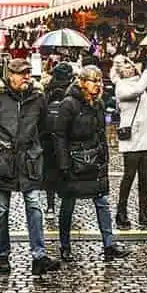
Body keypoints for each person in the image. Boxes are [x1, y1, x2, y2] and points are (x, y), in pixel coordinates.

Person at [0, 58, 60, 277]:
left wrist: (35, 148)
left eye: (28, 72)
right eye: (21, 73)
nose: (26, 77)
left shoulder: (38, 97)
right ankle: (3, 255)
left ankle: (38, 255)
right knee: (2, 211)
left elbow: (44, 127)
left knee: (34, 206)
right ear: (10, 75)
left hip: (29, 160)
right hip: (2, 161)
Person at [53, 65, 128, 264]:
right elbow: (59, 135)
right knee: (68, 205)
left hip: (94, 160)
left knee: (102, 202)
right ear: (82, 82)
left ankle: (109, 244)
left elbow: (100, 132)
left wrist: (104, 156)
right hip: (74, 161)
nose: (98, 85)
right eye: (94, 80)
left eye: (99, 81)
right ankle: (65, 246)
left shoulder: (98, 104)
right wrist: (64, 164)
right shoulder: (68, 104)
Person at [112, 55, 147, 230]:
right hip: (132, 139)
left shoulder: (143, 82)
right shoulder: (121, 87)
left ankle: (143, 212)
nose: (130, 67)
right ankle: (121, 211)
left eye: (130, 65)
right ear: (118, 71)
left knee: (144, 177)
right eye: (125, 66)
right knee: (129, 176)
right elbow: (137, 91)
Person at [42, 61, 73, 215]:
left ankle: (50, 205)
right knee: (67, 171)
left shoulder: (47, 90)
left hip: (48, 138)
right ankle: (66, 205)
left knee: (50, 172)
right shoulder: (71, 91)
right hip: (67, 137)